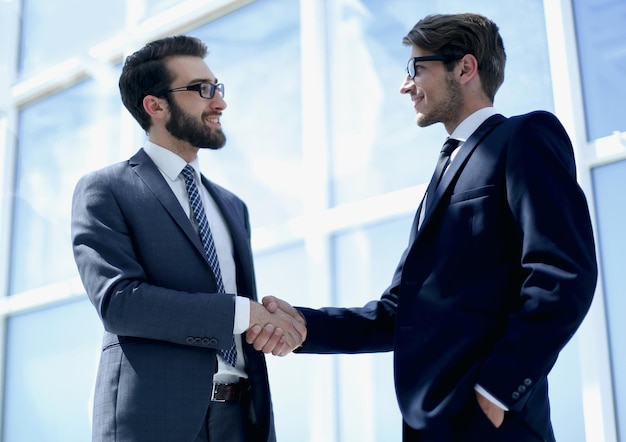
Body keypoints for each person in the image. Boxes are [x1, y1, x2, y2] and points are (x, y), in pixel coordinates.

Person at [248, 13, 597, 442]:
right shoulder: (441, 177)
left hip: (492, 426)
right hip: (432, 427)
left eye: (417, 69)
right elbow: (399, 313)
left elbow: (562, 273)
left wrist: (498, 390)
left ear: (465, 68)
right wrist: (303, 325)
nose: (405, 85)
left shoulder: (524, 137)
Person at [71, 35, 305, 442]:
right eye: (202, 89)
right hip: (153, 419)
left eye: (218, 88)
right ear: (155, 105)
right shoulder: (106, 188)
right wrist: (244, 313)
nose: (220, 103)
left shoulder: (233, 206)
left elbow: (238, 316)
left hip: (242, 418)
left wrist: (269, 329)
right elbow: (119, 303)